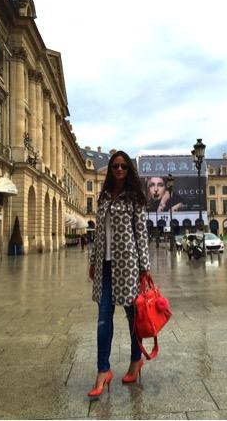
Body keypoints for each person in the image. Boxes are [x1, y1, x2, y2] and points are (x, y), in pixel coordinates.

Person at [88, 150, 151, 398]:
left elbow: (141, 235)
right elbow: (98, 234)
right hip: (105, 267)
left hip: (128, 266)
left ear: (129, 170)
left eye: (124, 166)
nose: (119, 169)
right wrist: (93, 260)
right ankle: (103, 370)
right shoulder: (103, 197)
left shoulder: (135, 198)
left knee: (132, 317)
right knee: (103, 319)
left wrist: (144, 268)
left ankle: (136, 361)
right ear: (111, 169)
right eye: (115, 166)